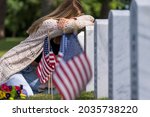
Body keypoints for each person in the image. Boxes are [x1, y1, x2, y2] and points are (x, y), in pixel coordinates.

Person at [0, 0, 94, 96]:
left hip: (30, 71)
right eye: (75, 17)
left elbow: (90, 19)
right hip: (12, 68)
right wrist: (74, 21)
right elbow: (78, 24)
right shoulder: (49, 24)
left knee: (57, 92)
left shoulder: (62, 32)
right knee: (26, 95)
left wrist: (73, 19)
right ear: (66, 13)